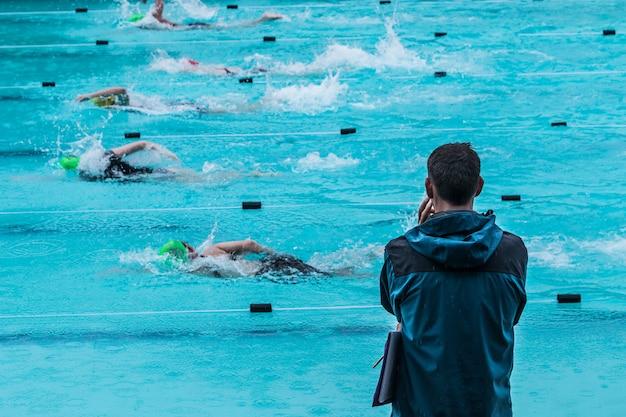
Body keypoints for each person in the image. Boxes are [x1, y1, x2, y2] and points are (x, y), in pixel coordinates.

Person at [379, 143, 527, 417]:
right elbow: (509, 317)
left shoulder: (400, 253)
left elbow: (399, 311)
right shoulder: (512, 251)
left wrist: (421, 232)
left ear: (428, 187)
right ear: (479, 186)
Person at [159, 238, 326, 276]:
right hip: (270, 264)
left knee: (327, 275)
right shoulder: (211, 250)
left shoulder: (194, 270)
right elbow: (250, 244)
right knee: (324, 273)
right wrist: (274, 254)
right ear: (190, 247)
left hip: (271, 271)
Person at [59, 140, 178, 181]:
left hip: (154, 176)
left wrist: (164, 152)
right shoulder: (104, 159)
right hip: (151, 177)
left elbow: (143, 144)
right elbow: (142, 144)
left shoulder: (88, 175)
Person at [146, 0, 284, 29]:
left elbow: (160, 4)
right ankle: (262, 19)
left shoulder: (156, 21)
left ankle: (262, 19)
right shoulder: (159, 20)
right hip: (191, 26)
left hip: (193, 27)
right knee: (229, 26)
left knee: (229, 27)